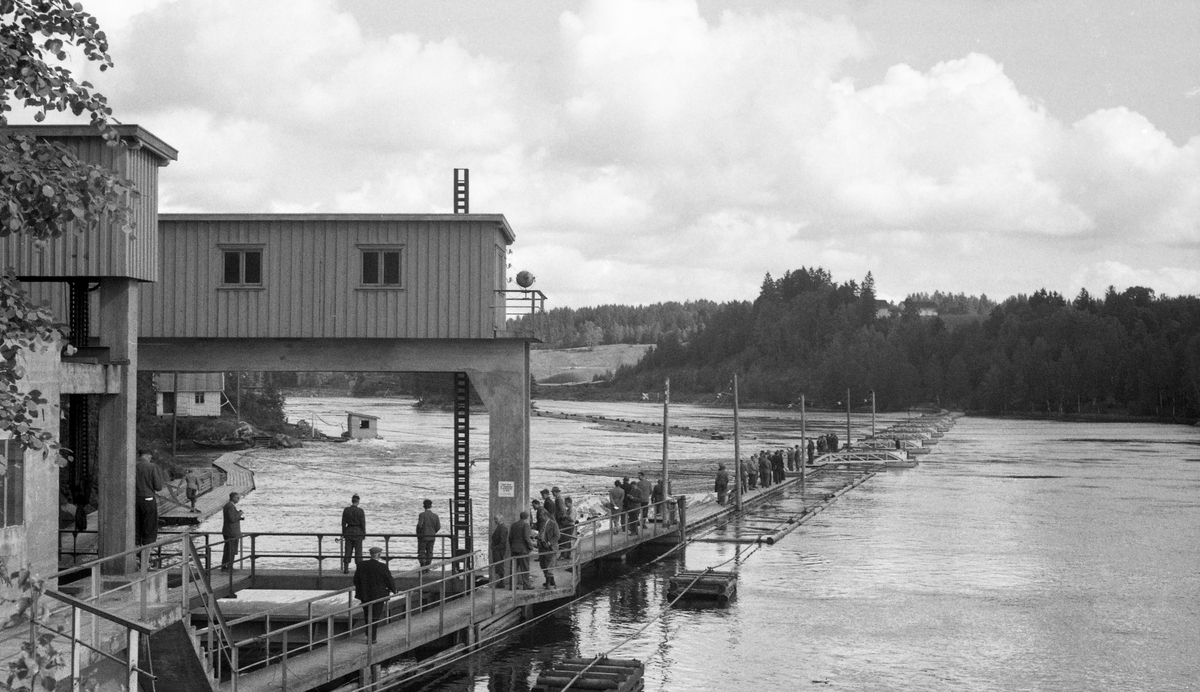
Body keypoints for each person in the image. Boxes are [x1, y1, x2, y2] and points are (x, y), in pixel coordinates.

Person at [353, 546, 395, 643]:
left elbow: (355, 580)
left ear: (370, 554)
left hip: (364, 595)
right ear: (379, 555)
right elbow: (389, 579)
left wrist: (361, 589)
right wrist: (394, 590)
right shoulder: (382, 566)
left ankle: (369, 635)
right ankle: (372, 637)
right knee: (375, 616)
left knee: (367, 615)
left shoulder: (361, 565)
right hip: (378, 595)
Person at [134, 450, 164, 547]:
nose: (150, 459)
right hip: (148, 499)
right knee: (149, 527)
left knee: (136, 526)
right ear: (147, 456)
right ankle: (146, 556)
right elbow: (158, 487)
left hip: (134, 500)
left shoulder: (132, 466)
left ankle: (136, 550)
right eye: (150, 457)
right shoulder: (152, 467)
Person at [509, 511, 535, 589]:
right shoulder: (526, 525)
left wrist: (512, 546)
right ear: (527, 518)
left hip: (514, 549)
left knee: (513, 569)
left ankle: (512, 586)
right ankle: (526, 585)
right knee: (525, 568)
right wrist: (531, 547)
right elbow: (526, 538)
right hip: (523, 550)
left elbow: (510, 537)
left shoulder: (514, 525)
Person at [341, 494, 366, 574]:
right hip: (358, 532)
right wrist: (364, 533)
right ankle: (358, 569)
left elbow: (343, 523)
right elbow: (363, 523)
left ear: (352, 501)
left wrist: (344, 532)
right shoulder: (360, 511)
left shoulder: (346, 510)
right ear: (358, 501)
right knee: (358, 551)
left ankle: (346, 568)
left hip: (349, 531)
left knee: (348, 550)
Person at [220, 492, 243, 570]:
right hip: (231, 532)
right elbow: (232, 518)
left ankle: (225, 565)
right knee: (231, 550)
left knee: (228, 549)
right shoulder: (230, 506)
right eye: (237, 497)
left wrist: (238, 516)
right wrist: (239, 514)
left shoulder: (228, 506)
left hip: (229, 531)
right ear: (232, 498)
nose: (238, 499)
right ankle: (229, 566)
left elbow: (231, 517)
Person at [415, 499, 440, 567]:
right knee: (430, 552)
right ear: (431, 506)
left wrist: (419, 534)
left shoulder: (422, 515)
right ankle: (428, 566)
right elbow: (438, 527)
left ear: (424, 506)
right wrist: (433, 532)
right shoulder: (435, 516)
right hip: (432, 536)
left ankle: (423, 567)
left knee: (421, 552)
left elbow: (420, 525)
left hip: (423, 537)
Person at [538, 512, 560, 588]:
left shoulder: (554, 524)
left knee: (549, 564)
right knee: (542, 564)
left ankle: (548, 583)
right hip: (542, 547)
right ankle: (551, 580)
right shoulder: (542, 525)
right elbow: (540, 534)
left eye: (542, 516)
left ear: (546, 516)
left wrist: (549, 543)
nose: (540, 517)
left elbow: (557, 536)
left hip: (550, 547)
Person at [490, 514, 510, 587]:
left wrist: (496, 547)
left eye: (496, 519)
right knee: (498, 566)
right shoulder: (500, 527)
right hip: (497, 550)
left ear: (501, 519)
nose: (495, 521)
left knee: (499, 566)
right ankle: (500, 581)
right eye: (494, 519)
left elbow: (503, 541)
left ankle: (501, 582)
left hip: (499, 550)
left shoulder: (502, 528)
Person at [559, 496, 575, 562]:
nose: (565, 505)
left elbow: (572, 519)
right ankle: (568, 555)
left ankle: (564, 555)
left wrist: (565, 516)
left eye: (566, 503)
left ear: (569, 503)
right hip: (567, 526)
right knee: (567, 541)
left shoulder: (572, 509)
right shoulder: (569, 509)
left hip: (570, 526)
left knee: (565, 540)